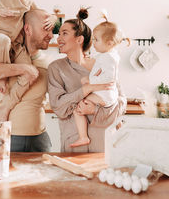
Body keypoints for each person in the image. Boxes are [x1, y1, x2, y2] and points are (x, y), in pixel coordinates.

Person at [47, 8, 127, 152]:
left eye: (64, 33)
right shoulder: (56, 68)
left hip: (105, 144)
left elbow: (121, 104)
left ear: (79, 39)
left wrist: (96, 110)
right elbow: (59, 107)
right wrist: (86, 89)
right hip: (74, 146)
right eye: (58, 34)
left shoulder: (103, 64)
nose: (58, 38)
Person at [0, 9, 53, 152]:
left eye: (51, 30)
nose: (50, 35)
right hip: (2, 131)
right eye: (45, 29)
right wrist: (23, 69)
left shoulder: (49, 62)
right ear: (27, 29)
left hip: (39, 138)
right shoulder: (8, 55)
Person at [70, 17, 129, 148]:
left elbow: (107, 77)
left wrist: (89, 82)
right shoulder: (109, 55)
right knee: (109, 116)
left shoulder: (109, 58)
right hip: (107, 94)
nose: (93, 43)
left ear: (109, 43)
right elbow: (99, 68)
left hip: (104, 94)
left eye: (96, 40)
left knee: (77, 108)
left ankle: (83, 137)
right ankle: (118, 128)